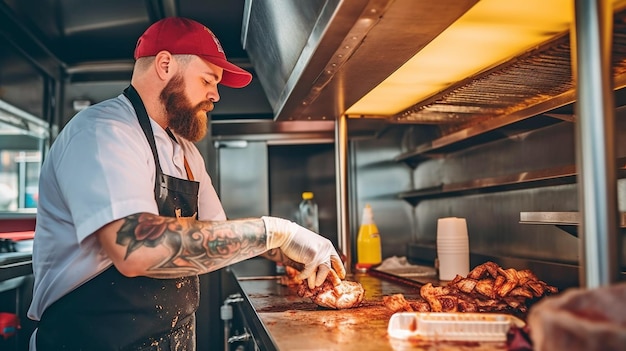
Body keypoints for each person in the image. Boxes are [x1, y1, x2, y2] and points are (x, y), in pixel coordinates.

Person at [27, 17, 346, 351]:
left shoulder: (186, 151)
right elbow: (136, 250)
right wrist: (277, 231)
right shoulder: (102, 132)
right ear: (165, 64)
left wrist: (288, 252)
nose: (215, 95)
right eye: (208, 80)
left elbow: (217, 234)